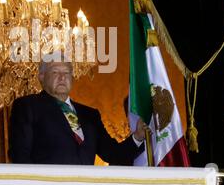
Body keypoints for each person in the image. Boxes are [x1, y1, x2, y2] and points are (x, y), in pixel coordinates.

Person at [9, 51, 148, 165]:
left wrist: (137, 137)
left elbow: (113, 154)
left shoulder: (90, 114)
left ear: (72, 78)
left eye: (67, 73)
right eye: (55, 72)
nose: (62, 78)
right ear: (42, 77)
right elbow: (20, 156)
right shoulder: (27, 106)